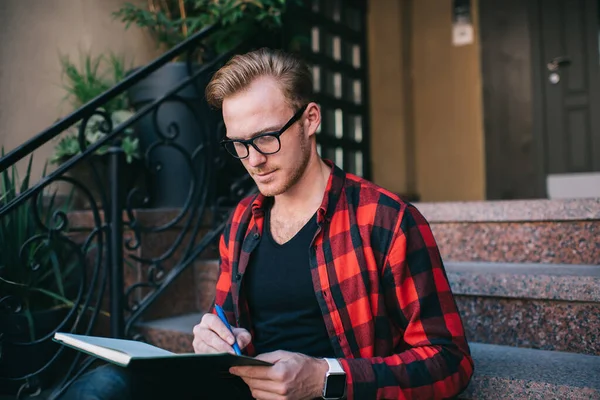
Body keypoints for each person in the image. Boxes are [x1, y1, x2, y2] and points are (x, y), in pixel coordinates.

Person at [61, 48, 474, 400]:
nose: (254, 159)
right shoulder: (244, 219)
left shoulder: (387, 221)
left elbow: (449, 361)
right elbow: (225, 319)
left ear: (310, 119)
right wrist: (216, 339)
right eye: (239, 145)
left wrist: (325, 378)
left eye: (266, 137)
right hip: (239, 388)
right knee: (103, 385)